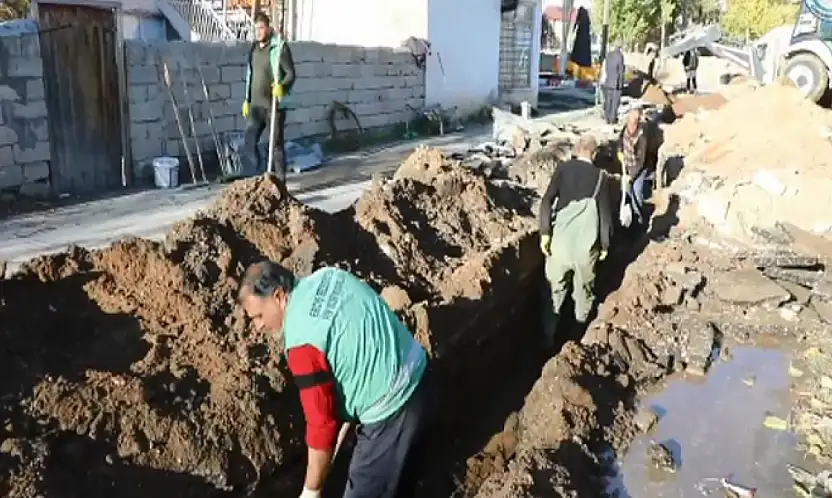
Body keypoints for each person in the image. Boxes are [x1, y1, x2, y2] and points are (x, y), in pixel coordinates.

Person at [237, 261, 433, 498]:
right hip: (421, 373)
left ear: (278, 297)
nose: (257, 326)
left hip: (394, 409)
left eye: (258, 316)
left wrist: (311, 490)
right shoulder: (328, 277)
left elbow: (321, 424)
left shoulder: (302, 343)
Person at [538, 135, 613, 347]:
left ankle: (547, 340)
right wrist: (605, 245)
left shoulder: (563, 169)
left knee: (554, 292)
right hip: (585, 249)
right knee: (583, 294)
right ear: (594, 153)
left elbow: (546, 201)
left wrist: (545, 232)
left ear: (576, 150)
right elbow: (605, 216)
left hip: (559, 245)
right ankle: (577, 341)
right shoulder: (601, 177)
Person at [243, 12, 296, 180]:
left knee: (276, 146)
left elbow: (290, 74)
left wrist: (282, 86)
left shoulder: (279, 48)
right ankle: (257, 178)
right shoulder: (253, 49)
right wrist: (247, 99)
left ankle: (281, 183)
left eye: (261, 28)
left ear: (268, 28)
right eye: (256, 28)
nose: (258, 32)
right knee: (249, 142)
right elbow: (250, 75)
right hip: (256, 106)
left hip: (274, 106)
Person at [617, 107, 649, 227]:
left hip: (639, 169)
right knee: (626, 191)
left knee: (637, 192)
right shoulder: (625, 130)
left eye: (633, 123)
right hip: (627, 166)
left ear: (637, 123)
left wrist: (631, 176)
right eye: (629, 122)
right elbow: (620, 141)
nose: (630, 126)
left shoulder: (642, 137)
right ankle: (627, 217)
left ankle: (639, 219)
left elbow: (641, 161)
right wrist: (619, 151)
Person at [601, 39, 625, 125]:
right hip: (616, 83)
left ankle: (607, 119)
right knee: (615, 103)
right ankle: (612, 119)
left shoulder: (608, 55)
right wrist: (621, 84)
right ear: (620, 46)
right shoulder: (620, 56)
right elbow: (621, 71)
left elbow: (606, 68)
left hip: (608, 82)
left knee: (608, 101)